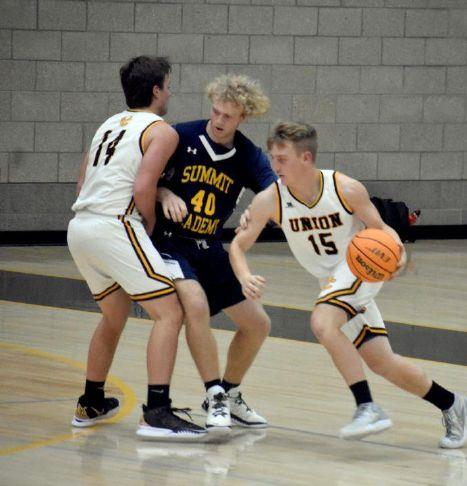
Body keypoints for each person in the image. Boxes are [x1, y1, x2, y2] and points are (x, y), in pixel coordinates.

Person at [229, 121, 467, 448]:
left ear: (306, 158)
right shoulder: (270, 200)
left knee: (322, 322)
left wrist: (397, 253)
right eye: (272, 158)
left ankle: (367, 406)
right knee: (382, 361)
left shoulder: (344, 188)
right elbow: (238, 246)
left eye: (282, 159)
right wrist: (244, 275)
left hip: (359, 268)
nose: (274, 166)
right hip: (331, 284)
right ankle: (453, 404)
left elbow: (383, 229)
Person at [67, 55, 206, 441]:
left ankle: (91, 401)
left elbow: (80, 184)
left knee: (114, 314)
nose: (170, 91)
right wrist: (147, 223)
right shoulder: (162, 131)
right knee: (169, 312)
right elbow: (145, 187)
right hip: (115, 226)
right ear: (157, 89)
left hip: (79, 228)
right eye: (169, 84)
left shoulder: (108, 125)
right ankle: (157, 412)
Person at [151, 74, 275, 434]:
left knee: (258, 324)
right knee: (197, 306)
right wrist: (163, 193)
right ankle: (214, 393)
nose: (219, 121)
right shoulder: (181, 136)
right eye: (216, 111)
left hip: (210, 247)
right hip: (171, 242)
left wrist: (260, 211)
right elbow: (142, 178)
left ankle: (230, 395)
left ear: (243, 118)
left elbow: (274, 192)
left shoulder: (249, 155)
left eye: (228, 116)